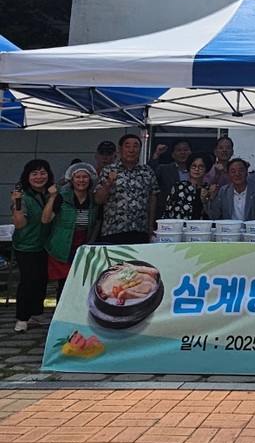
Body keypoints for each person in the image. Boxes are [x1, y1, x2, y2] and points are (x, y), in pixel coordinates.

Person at [42, 162, 100, 301]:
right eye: (77, 177)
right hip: (63, 244)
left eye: (85, 177)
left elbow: (98, 222)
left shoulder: (94, 198)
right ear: (71, 179)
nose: (81, 180)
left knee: (82, 282)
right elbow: (46, 219)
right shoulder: (62, 196)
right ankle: (61, 310)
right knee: (65, 283)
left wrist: (91, 243)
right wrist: (52, 198)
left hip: (84, 243)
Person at [10, 160, 54, 331]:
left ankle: (37, 313)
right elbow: (19, 224)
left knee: (42, 279)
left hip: (45, 244)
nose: (39, 177)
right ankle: (22, 317)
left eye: (43, 173)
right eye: (34, 174)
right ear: (27, 177)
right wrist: (17, 206)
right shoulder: (22, 196)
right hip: (26, 245)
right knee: (29, 280)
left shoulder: (50, 193)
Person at [94, 134, 159, 244]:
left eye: (135, 146)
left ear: (140, 149)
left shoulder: (147, 171)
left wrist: (150, 225)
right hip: (114, 230)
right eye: (127, 146)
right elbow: (98, 200)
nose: (131, 150)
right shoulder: (108, 170)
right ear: (120, 149)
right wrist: (108, 183)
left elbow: (153, 198)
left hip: (140, 230)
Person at [149, 138, 192, 219]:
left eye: (186, 150)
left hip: (189, 215)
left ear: (190, 152)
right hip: (167, 214)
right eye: (179, 150)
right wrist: (156, 155)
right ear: (172, 154)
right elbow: (148, 176)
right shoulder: (163, 169)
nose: (182, 153)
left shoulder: (196, 171)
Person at [163, 153, 212, 220]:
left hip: (202, 225)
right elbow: (169, 210)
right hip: (180, 225)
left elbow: (212, 214)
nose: (197, 169)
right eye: (194, 166)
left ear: (206, 169)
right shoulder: (178, 187)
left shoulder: (208, 189)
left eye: (201, 166)